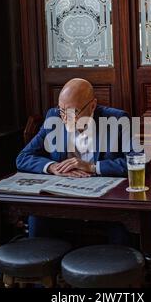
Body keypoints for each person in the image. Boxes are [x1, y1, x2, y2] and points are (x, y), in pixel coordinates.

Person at [16, 78, 132, 244]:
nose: (65, 118)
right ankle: (41, 268)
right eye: (62, 110)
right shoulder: (53, 117)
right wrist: (52, 167)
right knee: (37, 217)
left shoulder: (117, 119)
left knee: (122, 227)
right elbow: (23, 157)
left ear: (92, 105)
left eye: (73, 112)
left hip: (105, 204)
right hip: (64, 202)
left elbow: (138, 162)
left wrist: (92, 167)